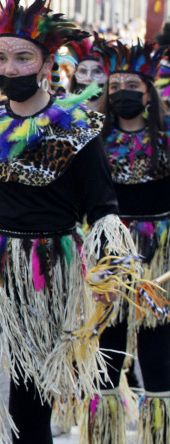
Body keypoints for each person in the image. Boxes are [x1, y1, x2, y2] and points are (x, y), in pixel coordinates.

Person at [0, 0, 137, 442]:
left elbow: (102, 208)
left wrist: (111, 273)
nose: (9, 68)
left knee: (31, 398)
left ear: (48, 63)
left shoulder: (79, 127)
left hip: (48, 272)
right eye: (0, 57)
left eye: (22, 57)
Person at [82, 38, 170, 443]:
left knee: (157, 348)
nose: (122, 94)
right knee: (108, 346)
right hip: (109, 254)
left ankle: (157, 434)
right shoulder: (90, 138)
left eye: (132, 86)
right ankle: (104, 434)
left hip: (157, 254)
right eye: (114, 87)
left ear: (148, 90)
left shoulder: (167, 137)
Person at [66, 37, 106, 110]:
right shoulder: (63, 111)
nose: (88, 78)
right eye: (83, 71)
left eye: (97, 71)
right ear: (75, 74)